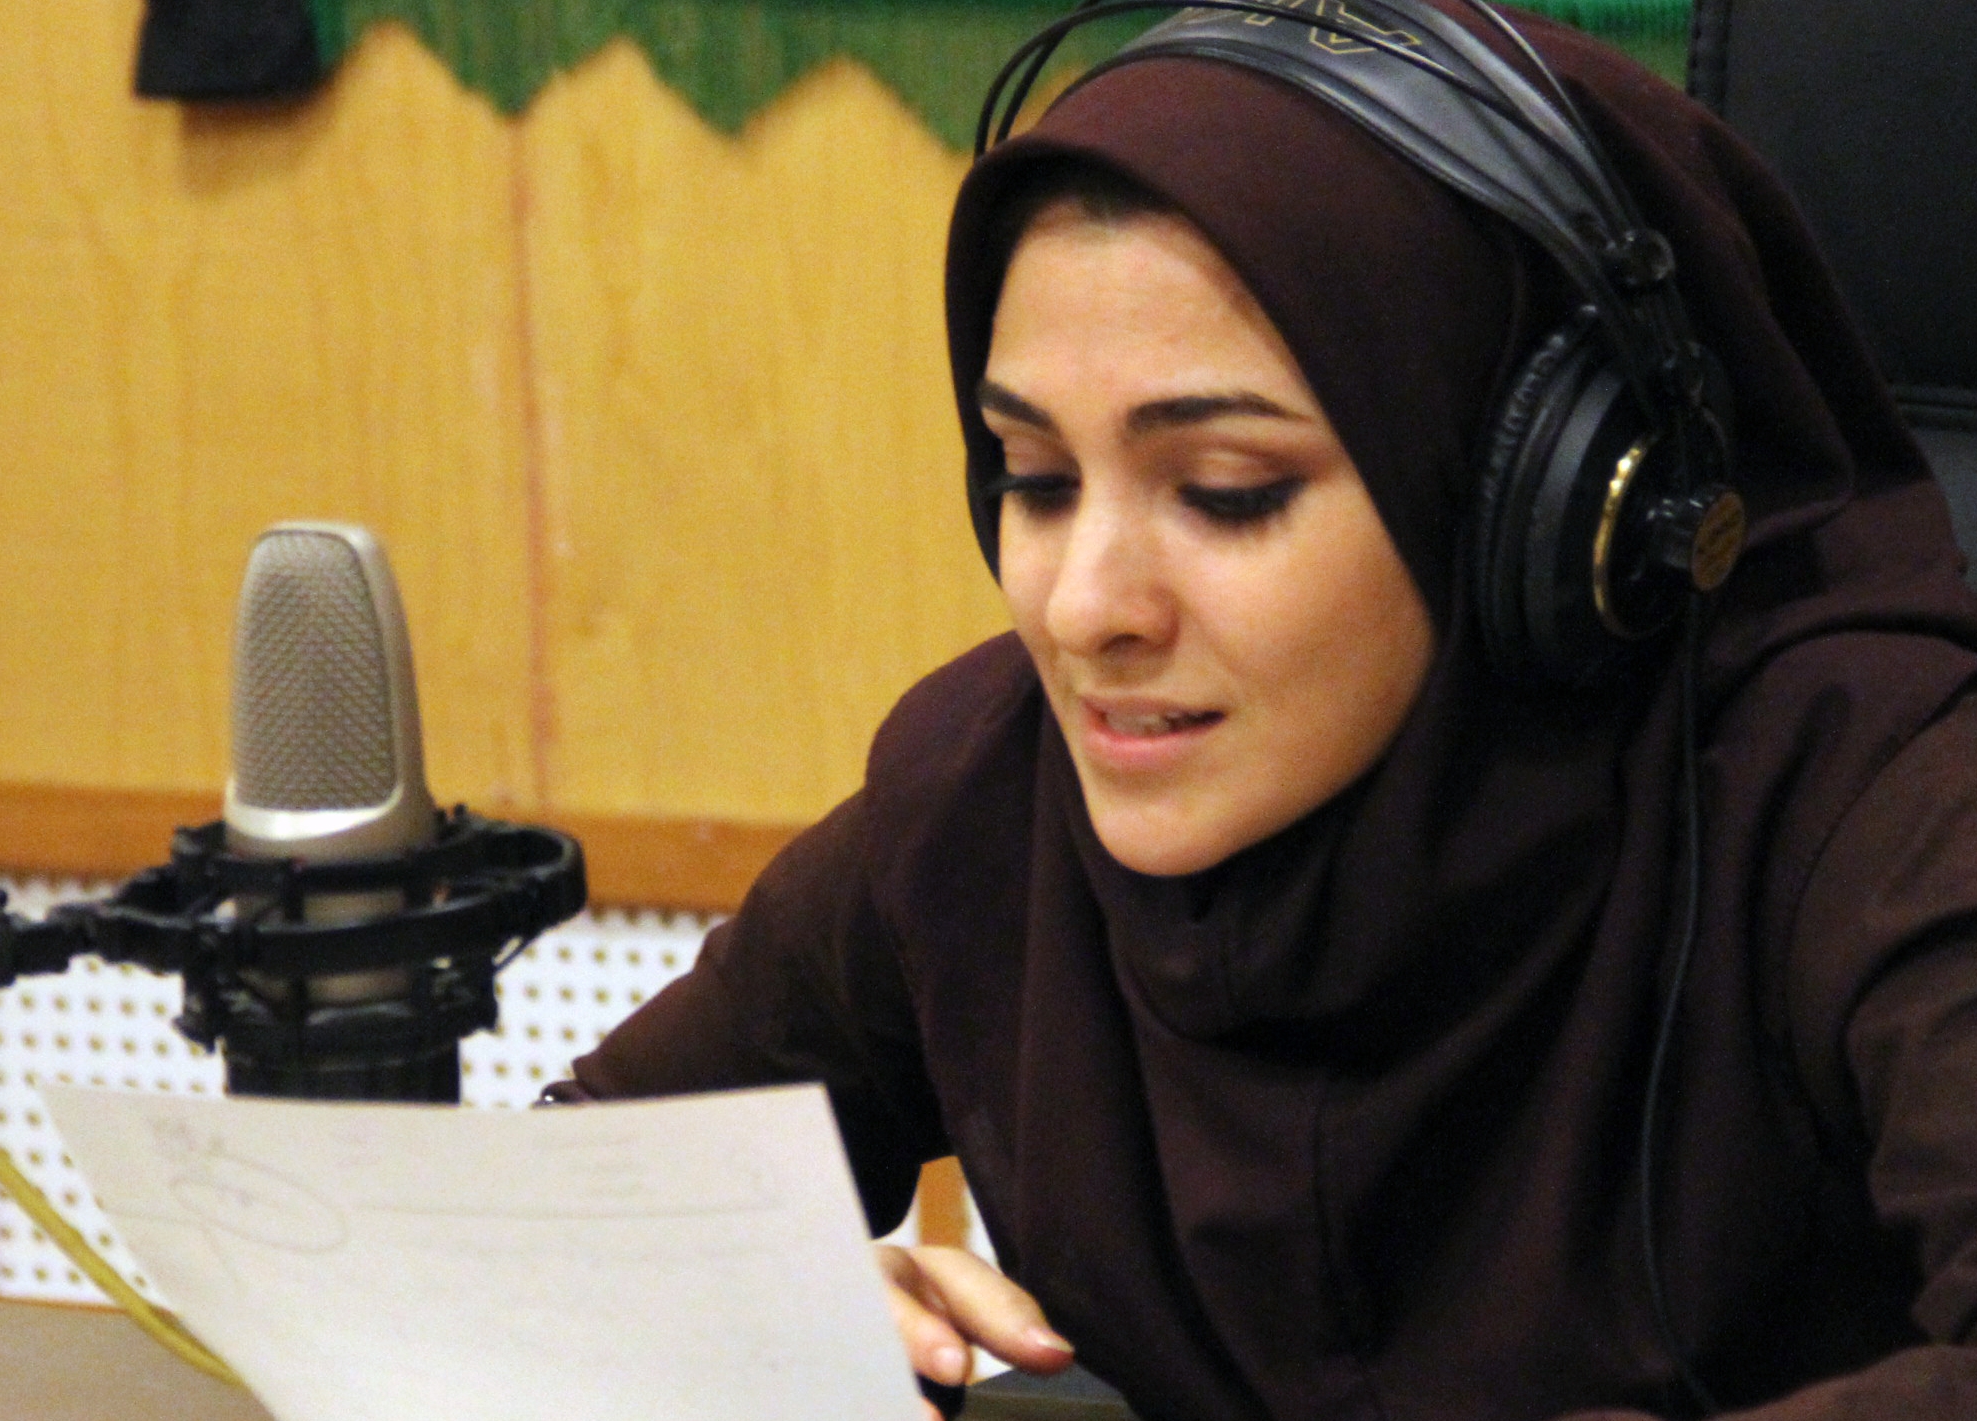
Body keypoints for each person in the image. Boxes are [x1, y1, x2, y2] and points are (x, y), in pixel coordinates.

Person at [546, 4, 1977, 1417]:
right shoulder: (984, 790)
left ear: (1536, 512)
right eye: (1035, 480)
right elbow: (554, 1213)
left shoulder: (1882, 800)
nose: (1083, 608)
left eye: (1227, 493)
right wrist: (751, 1302)